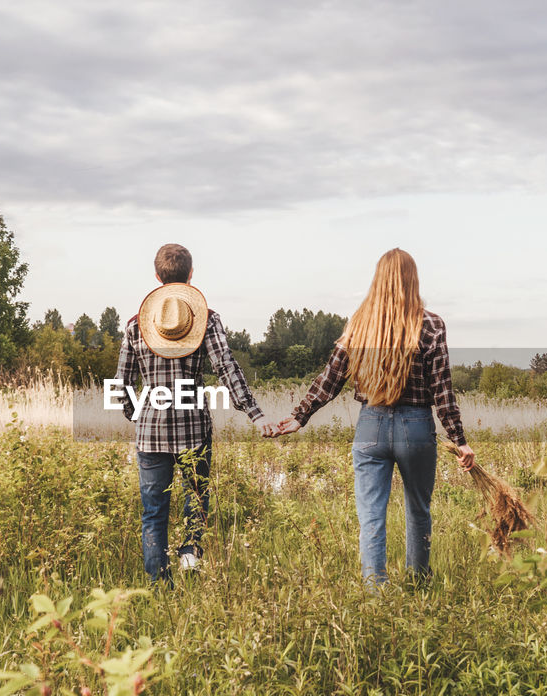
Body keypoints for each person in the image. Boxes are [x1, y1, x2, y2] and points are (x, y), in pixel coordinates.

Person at [273, 248, 475, 582]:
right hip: (417, 427)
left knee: (371, 517)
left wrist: (300, 416)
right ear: (413, 279)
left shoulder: (360, 323)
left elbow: (331, 377)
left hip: (371, 425)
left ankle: (375, 595)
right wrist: (460, 441)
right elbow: (442, 389)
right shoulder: (431, 325)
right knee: (418, 512)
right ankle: (418, 584)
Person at [115, 243, 270, 584]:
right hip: (194, 434)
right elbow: (227, 368)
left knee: (154, 514)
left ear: (157, 277)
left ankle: (160, 586)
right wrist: (254, 414)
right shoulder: (206, 320)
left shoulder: (135, 325)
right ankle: (189, 565)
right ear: (191, 275)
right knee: (195, 504)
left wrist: (135, 414)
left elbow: (121, 384)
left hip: (150, 436)